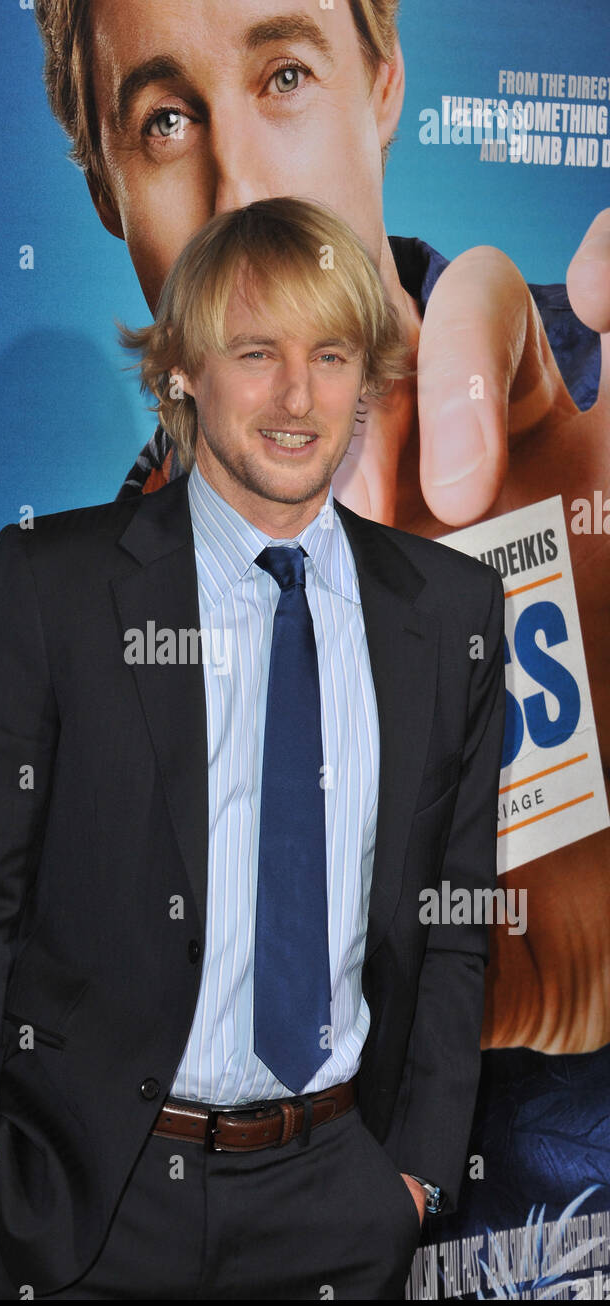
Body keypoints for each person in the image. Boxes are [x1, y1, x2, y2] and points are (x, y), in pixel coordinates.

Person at [0, 197, 506, 1300]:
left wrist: (414, 1175)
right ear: (182, 370)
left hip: (339, 1202)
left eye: (330, 355)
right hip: (83, 1203)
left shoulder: (451, 612)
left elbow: (456, 920)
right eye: (255, 353)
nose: (296, 397)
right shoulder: (56, 585)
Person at [32, 0, 610, 1058]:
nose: (241, 187)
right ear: (107, 194)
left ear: (383, 76)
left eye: (285, 76)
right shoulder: (82, 640)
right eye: (165, 121)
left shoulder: (592, 420)